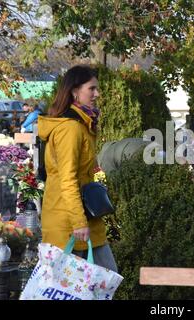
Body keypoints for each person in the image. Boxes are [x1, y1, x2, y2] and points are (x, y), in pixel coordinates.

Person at [38, 65, 117, 272]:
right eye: (91, 89)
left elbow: (88, 169)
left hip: (87, 218)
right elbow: (68, 178)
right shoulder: (70, 129)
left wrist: (101, 185)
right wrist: (78, 222)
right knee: (73, 288)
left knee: (104, 280)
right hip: (68, 222)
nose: (97, 94)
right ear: (74, 91)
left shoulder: (82, 124)